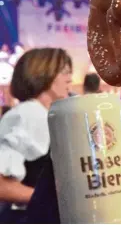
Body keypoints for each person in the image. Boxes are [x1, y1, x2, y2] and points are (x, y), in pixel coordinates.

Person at [0, 48, 72, 223]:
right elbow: (2, 185)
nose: (70, 78)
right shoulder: (29, 114)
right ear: (42, 73)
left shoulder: (44, 114)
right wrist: (53, 198)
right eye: (64, 72)